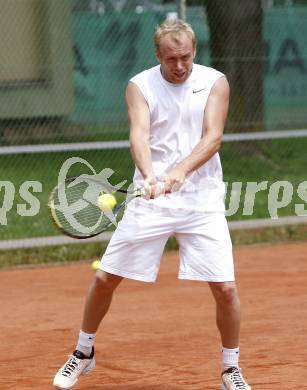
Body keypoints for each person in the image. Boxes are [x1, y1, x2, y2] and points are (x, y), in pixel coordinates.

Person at [53, 19, 252, 390]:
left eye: (186, 58)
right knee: (106, 278)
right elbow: (139, 135)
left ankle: (230, 368)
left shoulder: (214, 82)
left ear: (195, 52)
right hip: (152, 197)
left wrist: (178, 173)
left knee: (225, 289)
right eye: (171, 58)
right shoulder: (140, 86)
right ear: (157, 54)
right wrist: (148, 176)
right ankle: (84, 352)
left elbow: (213, 137)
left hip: (201, 199)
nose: (179, 66)